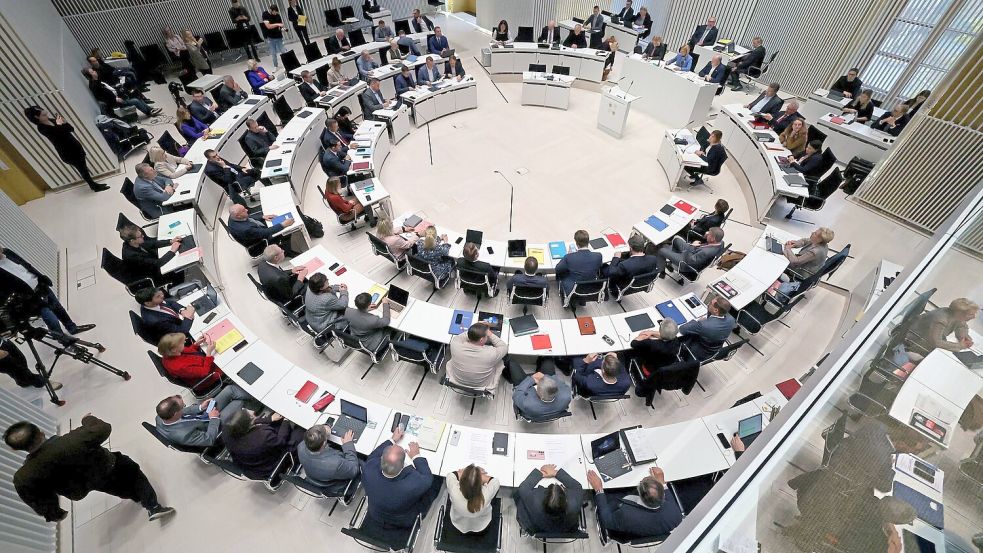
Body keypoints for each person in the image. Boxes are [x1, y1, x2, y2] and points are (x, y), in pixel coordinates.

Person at [4, 415, 175, 523]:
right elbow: (103, 428)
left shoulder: (24, 476)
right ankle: (153, 507)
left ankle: (135, 496)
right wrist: (87, 419)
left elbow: (38, 498)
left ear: (16, 449)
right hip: (110, 466)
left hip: (86, 484)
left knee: (113, 487)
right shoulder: (73, 440)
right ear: (40, 432)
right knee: (135, 475)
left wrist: (54, 513)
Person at [0, 246, 94, 338]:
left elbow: (26, 265)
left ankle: (72, 328)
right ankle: (65, 342)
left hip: (40, 285)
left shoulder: (8, 252)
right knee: (51, 319)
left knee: (58, 307)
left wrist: (41, 276)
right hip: (31, 299)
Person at [361, 426, 440, 530]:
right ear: (403, 465)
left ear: (381, 460)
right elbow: (427, 478)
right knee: (437, 482)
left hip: (376, 514)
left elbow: (372, 456)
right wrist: (416, 456)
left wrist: (392, 440)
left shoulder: (368, 469)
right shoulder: (414, 483)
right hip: (403, 520)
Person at [23, 106, 108, 191]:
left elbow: (70, 129)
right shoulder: (42, 128)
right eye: (43, 115)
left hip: (75, 147)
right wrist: (60, 125)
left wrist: (65, 122)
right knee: (83, 169)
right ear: (37, 117)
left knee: (84, 168)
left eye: (46, 113)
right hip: (68, 153)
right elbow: (59, 136)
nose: (46, 115)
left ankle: (93, 185)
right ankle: (93, 186)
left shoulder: (52, 120)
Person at [589, 467, 682, 540]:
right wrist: (662, 483)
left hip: (627, 527)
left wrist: (599, 489)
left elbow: (606, 521)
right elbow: (669, 500)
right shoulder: (676, 515)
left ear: (640, 494)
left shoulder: (626, 514)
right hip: (648, 528)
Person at [155, 384, 259, 448]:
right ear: (175, 414)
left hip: (204, 415)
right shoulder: (183, 436)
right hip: (214, 427)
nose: (184, 405)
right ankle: (260, 403)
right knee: (238, 403)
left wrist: (200, 407)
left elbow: (185, 411)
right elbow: (209, 439)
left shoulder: (161, 415)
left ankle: (258, 393)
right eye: (183, 405)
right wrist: (214, 418)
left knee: (229, 390)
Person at [223, 409, 304, 480]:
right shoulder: (263, 437)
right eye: (251, 416)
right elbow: (281, 441)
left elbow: (249, 423)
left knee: (275, 417)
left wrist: (270, 419)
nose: (252, 412)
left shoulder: (228, 431)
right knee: (300, 429)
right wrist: (286, 420)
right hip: (271, 466)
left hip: (251, 465)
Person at [515, 465, 584, 534]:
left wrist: (541, 473)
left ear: (544, 495)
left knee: (520, 496)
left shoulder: (535, 500)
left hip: (536, 526)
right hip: (564, 529)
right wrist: (555, 473)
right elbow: (577, 486)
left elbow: (523, 488)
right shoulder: (574, 502)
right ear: (565, 499)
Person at [446, 322, 509, 391]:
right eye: (486, 337)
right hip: (481, 385)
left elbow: (461, 336)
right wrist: (490, 334)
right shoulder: (490, 353)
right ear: (481, 340)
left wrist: (475, 329)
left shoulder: (455, 344)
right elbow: (504, 347)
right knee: (500, 361)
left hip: (458, 380)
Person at [298, 424, 360, 492]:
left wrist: (324, 429)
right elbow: (354, 470)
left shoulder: (301, 446)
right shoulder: (335, 464)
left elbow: (313, 434)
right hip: (332, 485)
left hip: (314, 477)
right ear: (324, 443)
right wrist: (348, 444)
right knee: (362, 460)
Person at [119, 223, 185, 286]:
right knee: (179, 270)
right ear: (132, 240)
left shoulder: (133, 243)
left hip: (152, 263)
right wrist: (172, 251)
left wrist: (170, 241)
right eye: (140, 236)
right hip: (152, 275)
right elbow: (158, 263)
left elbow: (152, 244)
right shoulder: (132, 256)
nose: (143, 236)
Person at [906, 298, 977, 355]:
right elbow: (936, 343)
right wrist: (960, 346)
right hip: (915, 342)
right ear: (960, 313)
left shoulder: (955, 315)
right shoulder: (940, 320)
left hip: (929, 340)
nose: (974, 317)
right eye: (971, 314)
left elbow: (961, 326)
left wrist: (963, 336)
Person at [157, 330, 222, 393]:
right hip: (208, 376)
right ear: (174, 349)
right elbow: (204, 372)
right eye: (182, 343)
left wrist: (196, 344)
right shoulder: (180, 367)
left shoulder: (170, 353)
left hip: (203, 361)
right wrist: (208, 353)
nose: (184, 343)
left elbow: (188, 352)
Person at [446, 464, 499, 533]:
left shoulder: (454, 489)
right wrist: (479, 476)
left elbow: (451, 475)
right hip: (481, 524)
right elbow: (495, 481)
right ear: (481, 483)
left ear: (460, 481)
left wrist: (467, 473)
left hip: (458, 522)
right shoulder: (486, 494)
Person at [84, 68, 160, 117]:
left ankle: (149, 109)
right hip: (114, 102)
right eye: (92, 71)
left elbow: (108, 90)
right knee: (135, 101)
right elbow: (103, 97)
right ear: (90, 75)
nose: (95, 71)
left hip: (116, 95)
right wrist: (115, 98)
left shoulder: (98, 81)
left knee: (134, 93)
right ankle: (149, 113)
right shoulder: (95, 86)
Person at [679, 296, 735, 360]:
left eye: (710, 303)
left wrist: (698, 321)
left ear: (716, 310)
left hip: (698, 352)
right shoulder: (731, 320)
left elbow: (682, 329)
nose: (708, 303)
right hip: (714, 349)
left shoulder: (704, 325)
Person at [657, 226, 726, 278]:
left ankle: (661, 272)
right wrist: (705, 237)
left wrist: (693, 245)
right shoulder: (721, 242)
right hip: (694, 251)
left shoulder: (706, 252)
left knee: (661, 250)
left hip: (686, 263)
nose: (707, 233)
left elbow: (690, 261)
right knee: (676, 240)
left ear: (713, 238)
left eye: (709, 234)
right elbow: (708, 242)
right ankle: (673, 261)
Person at [226, 203, 294, 250]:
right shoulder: (246, 229)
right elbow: (265, 232)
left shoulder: (233, 216)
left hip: (256, 230)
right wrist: (283, 224)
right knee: (286, 232)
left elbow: (247, 217)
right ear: (238, 215)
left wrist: (262, 217)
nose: (247, 210)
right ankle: (286, 251)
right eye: (244, 210)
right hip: (261, 242)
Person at [555, 230, 602, 297]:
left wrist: (569, 255)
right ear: (588, 242)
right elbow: (599, 267)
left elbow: (557, 269)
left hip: (574, 287)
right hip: (591, 286)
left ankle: (563, 293)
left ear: (576, 243)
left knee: (561, 272)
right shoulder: (598, 256)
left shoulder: (569, 257)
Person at [261, 5, 286, 70]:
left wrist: (282, 28)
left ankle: (286, 65)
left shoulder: (278, 15)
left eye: (276, 12)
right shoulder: (265, 14)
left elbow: (280, 26)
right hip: (270, 37)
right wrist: (277, 24)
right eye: (274, 12)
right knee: (273, 53)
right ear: (271, 10)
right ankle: (275, 66)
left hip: (279, 36)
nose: (275, 13)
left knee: (283, 51)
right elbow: (268, 26)